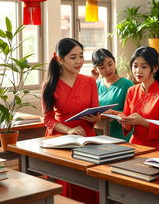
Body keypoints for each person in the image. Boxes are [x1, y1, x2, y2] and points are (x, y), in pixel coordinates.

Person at [42, 37, 100, 204]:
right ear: (60, 59)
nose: (79, 61)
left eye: (81, 56)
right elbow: (47, 119)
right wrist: (68, 130)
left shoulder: (89, 82)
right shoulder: (50, 84)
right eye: (73, 57)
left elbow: (95, 111)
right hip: (61, 139)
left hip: (87, 136)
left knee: (90, 183)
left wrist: (95, 117)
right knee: (67, 185)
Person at [119, 46, 159, 151]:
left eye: (144, 67)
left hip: (158, 149)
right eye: (135, 66)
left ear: (154, 68)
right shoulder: (132, 91)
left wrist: (143, 122)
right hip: (135, 146)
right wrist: (124, 121)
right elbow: (128, 127)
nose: (138, 71)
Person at [92, 48, 133, 141]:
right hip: (100, 136)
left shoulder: (127, 84)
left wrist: (113, 113)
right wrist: (92, 79)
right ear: (96, 69)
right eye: (102, 68)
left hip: (121, 136)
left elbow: (132, 115)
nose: (107, 69)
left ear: (115, 62)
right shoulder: (95, 84)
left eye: (110, 64)